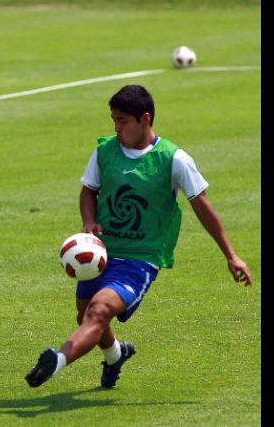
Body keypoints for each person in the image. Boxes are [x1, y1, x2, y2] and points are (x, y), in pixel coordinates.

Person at [25, 84, 253, 389]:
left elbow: (203, 207)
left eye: (123, 121)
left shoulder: (174, 159)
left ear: (145, 119)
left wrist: (231, 254)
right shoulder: (105, 151)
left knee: (98, 311)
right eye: (114, 121)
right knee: (87, 318)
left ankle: (56, 361)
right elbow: (89, 190)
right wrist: (89, 221)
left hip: (140, 259)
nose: (117, 128)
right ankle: (116, 355)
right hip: (100, 254)